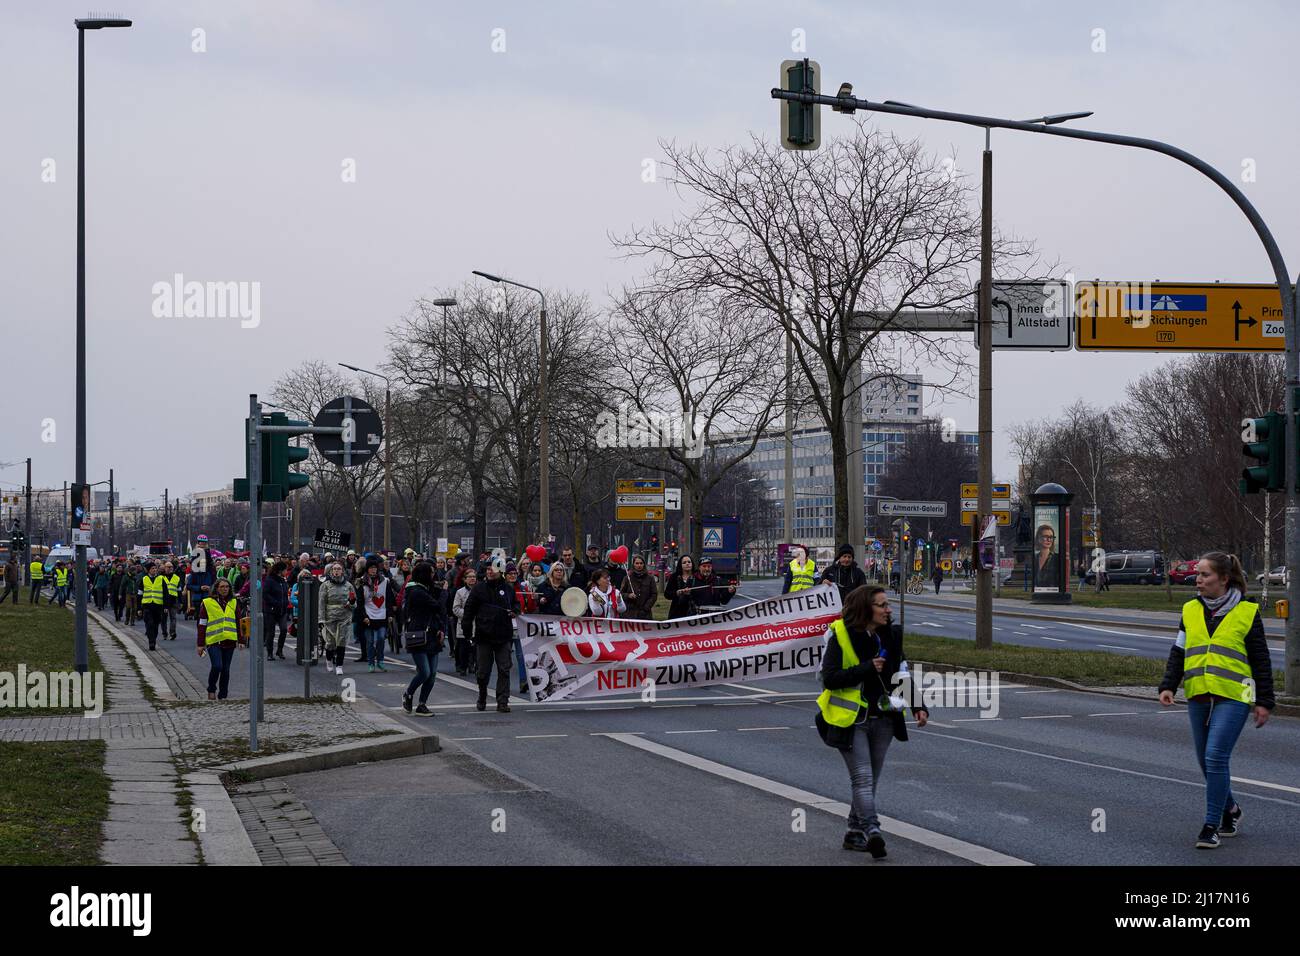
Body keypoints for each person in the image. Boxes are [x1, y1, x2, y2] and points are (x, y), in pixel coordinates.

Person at [1158, 551, 1274, 848]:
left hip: (1237, 694)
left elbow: (1261, 659)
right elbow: (1179, 651)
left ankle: (1211, 826)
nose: (1198, 580)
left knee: (1215, 757)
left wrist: (1264, 701)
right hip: (1199, 692)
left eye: (1205, 575)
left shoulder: (1247, 611)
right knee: (1205, 762)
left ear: (1224, 579)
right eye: (1197, 574)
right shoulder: (1189, 610)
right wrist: (1168, 685)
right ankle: (1231, 809)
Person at [817, 585, 928, 858]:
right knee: (863, 778)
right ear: (866, 609)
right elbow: (829, 678)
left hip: (884, 719)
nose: (888, 610)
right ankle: (873, 830)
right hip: (850, 719)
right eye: (882, 605)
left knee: (870, 780)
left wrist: (917, 705)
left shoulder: (891, 636)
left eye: (888, 605)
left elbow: (901, 673)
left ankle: (854, 833)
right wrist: (867, 668)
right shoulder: (840, 634)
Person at [462, 558, 520, 712]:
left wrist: (515, 611)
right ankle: (482, 694)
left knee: (504, 669)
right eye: (488, 569)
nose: (490, 571)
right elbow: (468, 611)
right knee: (482, 672)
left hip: (503, 636)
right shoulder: (479, 589)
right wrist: (467, 633)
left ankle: (503, 701)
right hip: (483, 636)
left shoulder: (507, 589)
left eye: (493, 568)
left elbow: (516, 605)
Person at [401, 561, 446, 716]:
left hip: (432, 633)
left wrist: (441, 629)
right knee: (424, 672)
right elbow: (437, 606)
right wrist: (444, 592)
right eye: (431, 572)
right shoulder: (416, 592)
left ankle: (422, 704)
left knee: (432, 674)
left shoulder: (427, 589)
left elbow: (438, 614)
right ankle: (408, 693)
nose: (433, 575)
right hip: (419, 635)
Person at [196, 576, 247, 700]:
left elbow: (238, 621)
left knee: (226, 670)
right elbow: (202, 624)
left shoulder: (234, 602)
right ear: (216, 588)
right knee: (217, 666)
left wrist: (241, 640)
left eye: (227, 587)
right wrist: (200, 644)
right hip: (214, 640)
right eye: (222, 587)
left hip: (229, 640)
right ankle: (211, 688)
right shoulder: (207, 602)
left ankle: (223, 694)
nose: (225, 589)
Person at [318, 562, 355, 675]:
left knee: (341, 641)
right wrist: (321, 619)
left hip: (344, 617)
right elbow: (321, 603)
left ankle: (339, 665)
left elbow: (355, 602)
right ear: (331, 571)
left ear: (342, 571)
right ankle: (329, 660)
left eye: (339, 569)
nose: (337, 571)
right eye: (334, 569)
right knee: (330, 643)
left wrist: (351, 603)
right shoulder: (325, 585)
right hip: (330, 618)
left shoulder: (348, 585)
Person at [360, 561, 392, 672]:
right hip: (368, 615)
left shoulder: (385, 581)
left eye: (375, 568)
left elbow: (389, 598)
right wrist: (363, 616)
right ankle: (370, 663)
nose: (373, 570)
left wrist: (390, 614)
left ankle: (380, 661)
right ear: (367, 569)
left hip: (382, 615)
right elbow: (360, 602)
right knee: (369, 641)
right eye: (371, 568)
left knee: (381, 638)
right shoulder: (361, 582)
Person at [452, 568, 478, 676]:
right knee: (463, 647)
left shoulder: (479, 591)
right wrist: (468, 614)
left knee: (475, 647)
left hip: (477, 623)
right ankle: (462, 666)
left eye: (474, 577)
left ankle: (472, 665)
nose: (472, 579)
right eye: (470, 577)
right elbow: (456, 608)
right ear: (465, 579)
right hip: (464, 622)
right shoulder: (460, 592)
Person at [262, 560, 289, 661]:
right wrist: (275, 602)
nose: (286, 571)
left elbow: (285, 594)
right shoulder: (270, 580)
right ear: (280, 570)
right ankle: (270, 653)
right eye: (285, 570)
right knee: (271, 632)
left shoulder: (283, 580)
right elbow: (265, 594)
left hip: (282, 610)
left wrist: (285, 602)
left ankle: (280, 650)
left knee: (284, 630)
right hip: (271, 610)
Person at [138, 563, 166, 650]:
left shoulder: (161, 579)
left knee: (156, 625)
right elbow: (139, 594)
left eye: (155, 568)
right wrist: (139, 608)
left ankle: (153, 639)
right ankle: (151, 642)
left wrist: (166, 607)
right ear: (148, 570)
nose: (154, 570)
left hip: (158, 606)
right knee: (149, 624)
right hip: (147, 605)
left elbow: (166, 594)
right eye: (152, 568)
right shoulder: (144, 579)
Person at [623, 554, 658, 620]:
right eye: (637, 563)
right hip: (630, 613)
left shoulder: (650, 578)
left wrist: (646, 607)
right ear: (633, 564)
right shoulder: (627, 578)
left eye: (641, 563)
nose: (639, 565)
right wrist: (628, 595)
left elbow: (654, 594)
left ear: (644, 564)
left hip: (645, 613)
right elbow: (621, 593)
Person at [1032, 524, 1060, 588]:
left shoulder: (1057, 558)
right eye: (1045, 536)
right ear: (1038, 538)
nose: (1049, 540)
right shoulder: (1034, 558)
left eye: (1051, 537)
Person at [161, 561, 182, 640]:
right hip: (163, 600)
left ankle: (172, 633)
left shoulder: (176, 578)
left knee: (173, 617)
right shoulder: (161, 577)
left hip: (173, 600)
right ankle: (164, 633)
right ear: (164, 568)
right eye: (168, 567)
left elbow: (179, 590)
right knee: (164, 618)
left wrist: (180, 601)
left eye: (171, 567)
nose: (170, 568)